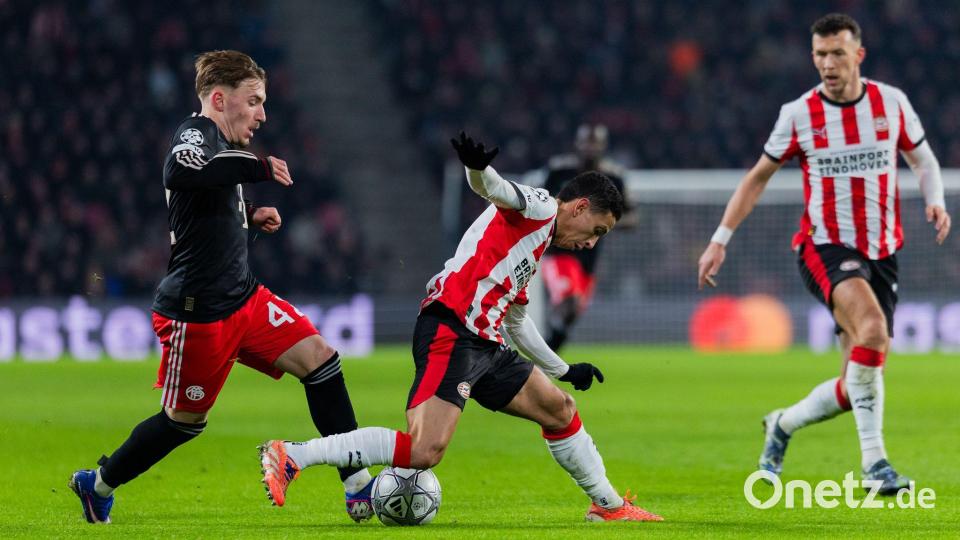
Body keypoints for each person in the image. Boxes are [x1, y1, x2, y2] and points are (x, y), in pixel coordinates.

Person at [259, 132, 662, 522]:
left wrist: (564, 370)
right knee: (424, 449)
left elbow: (518, 322)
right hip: (451, 330)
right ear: (579, 207)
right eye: (597, 231)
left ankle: (608, 506)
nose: (592, 244)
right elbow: (497, 189)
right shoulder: (540, 206)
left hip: (485, 344)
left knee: (559, 409)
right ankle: (294, 454)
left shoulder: (535, 244)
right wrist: (477, 167)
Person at [69, 50, 374, 524]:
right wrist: (258, 167)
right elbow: (182, 170)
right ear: (218, 98)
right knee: (182, 424)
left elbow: (203, 205)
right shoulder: (196, 134)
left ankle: (357, 485)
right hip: (198, 313)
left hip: (245, 298)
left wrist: (249, 216)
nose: (262, 114)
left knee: (321, 361)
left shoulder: (220, 145)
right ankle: (99, 484)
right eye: (253, 101)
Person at [696, 14, 950, 494]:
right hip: (825, 245)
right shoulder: (799, 113)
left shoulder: (890, 103)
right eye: (819, 55)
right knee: (872, 331)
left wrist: (933, 198)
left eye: (837, 53)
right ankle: (877, 466)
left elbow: (923, 159)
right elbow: (757, 178)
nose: (827, 64)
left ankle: (782, 424)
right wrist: (719, 240)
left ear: (859, 55)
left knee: (856, 384)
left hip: (884, 252)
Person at [541, 124, 629, 350]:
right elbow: (542, 204)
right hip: (558, 251)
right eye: (586, 142)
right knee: (569, 303)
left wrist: (599, 224)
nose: (590, 148)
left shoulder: (614, 179)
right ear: (577, 144)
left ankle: (544, 355)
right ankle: (542, 357)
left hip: (589, 258)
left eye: (595, 143)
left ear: (603, 146)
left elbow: (631, 216)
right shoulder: (559, 172)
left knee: (571, 314)